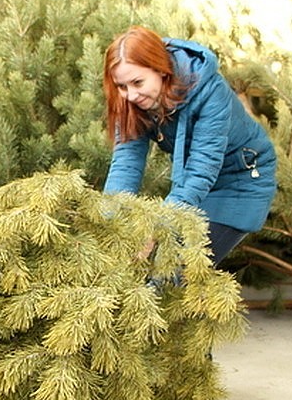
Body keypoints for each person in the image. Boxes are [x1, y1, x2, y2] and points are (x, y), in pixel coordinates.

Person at [102, 25, 277, 264]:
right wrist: (106, 220)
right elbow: (126, 163)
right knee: (149, 270)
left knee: (172, 271)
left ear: (161, 70)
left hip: (240, 183)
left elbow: (200, 172)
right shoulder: (132, 102)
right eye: (122, 87)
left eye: (137, 82)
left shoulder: (210, 92)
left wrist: (155, 231)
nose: (131, 95)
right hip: (194, 185)